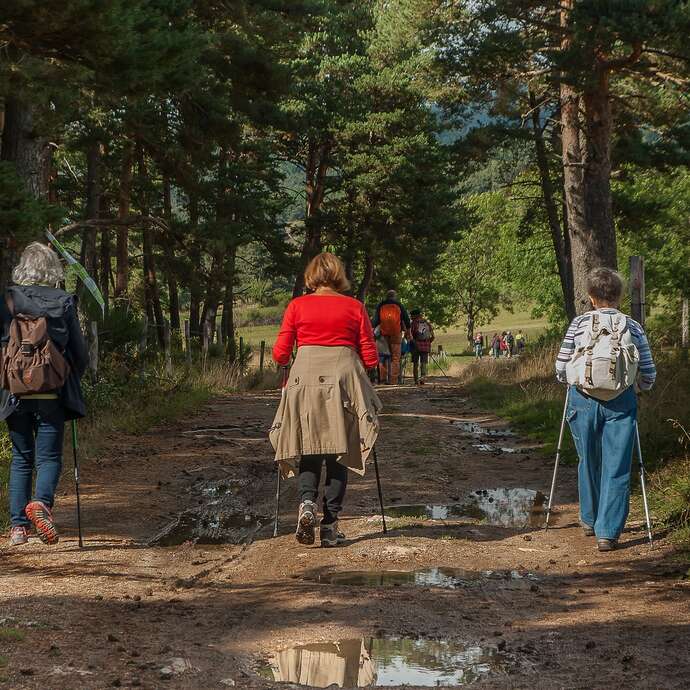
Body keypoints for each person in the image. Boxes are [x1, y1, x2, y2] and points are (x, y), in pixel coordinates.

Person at [270, 252, 382, 548]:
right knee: (339, 451)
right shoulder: (354, 307)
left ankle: (307, 504)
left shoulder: (297, 306)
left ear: (311, 277)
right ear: (339, 276)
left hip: (305, 378)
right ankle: (330, 526)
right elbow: (370, 356)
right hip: (343, 379)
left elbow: (281, 354)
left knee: (308, 445)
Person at [556, 267, 656, 552]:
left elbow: (561, 367)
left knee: (588, 458)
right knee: (617, 465)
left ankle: (589, 519)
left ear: (590, 296)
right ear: (620, 296)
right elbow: (648, 373)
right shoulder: (633, 327)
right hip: (621, 401)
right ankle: (607, 533)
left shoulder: (578, 324)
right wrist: (639, 388)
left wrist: (571, 381)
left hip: (582, 400)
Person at [1, 242, 88, 547]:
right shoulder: (64, 301)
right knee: (48, 457)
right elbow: (80, 354)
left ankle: (18, 529)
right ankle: (41, 503)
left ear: (24, 267)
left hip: (14, 395)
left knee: (22, 458)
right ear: (52, 269)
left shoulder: (9, 300)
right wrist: (73, 376)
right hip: (52, 393)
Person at [372, 289, 411, 384]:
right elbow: (406, 320)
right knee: (395, 358)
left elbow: (375, 321)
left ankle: (383, 379)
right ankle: (393, 380)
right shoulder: (399, 305)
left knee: (383, 356)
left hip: (383, 335)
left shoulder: (381, 305)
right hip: (396, 334)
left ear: (387, 296)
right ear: (395, 296)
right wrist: (408, 332)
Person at [410, 308, 435, 385]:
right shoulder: (427, 323)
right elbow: (433, 336)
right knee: (423, 363)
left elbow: (411, 335)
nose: (410, 317)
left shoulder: (414, 323)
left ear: (415, 316)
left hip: (415, 345)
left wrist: (412, 342)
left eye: (411, 316)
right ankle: (422, 379)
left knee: (415, 363)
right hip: (426, 346)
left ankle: (416, 380)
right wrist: (428, 342)